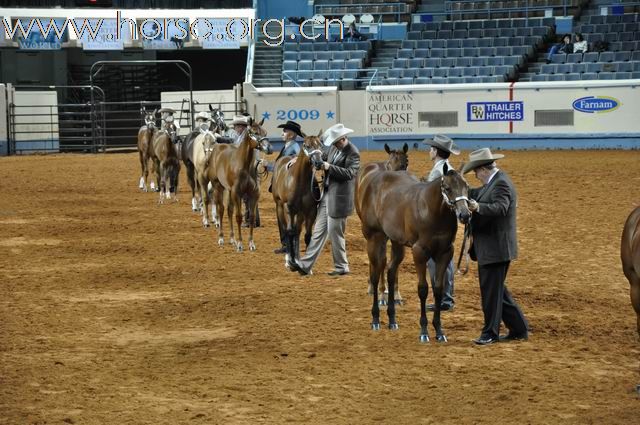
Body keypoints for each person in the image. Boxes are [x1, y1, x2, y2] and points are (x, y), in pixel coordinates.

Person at [462, 148, 529, 345]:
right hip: (493, 248)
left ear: (483, 169)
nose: (475, 175)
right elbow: (479, 192)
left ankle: (490, 332)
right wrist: (461, 189)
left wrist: (478, 207)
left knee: (491, 293)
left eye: (476, 171)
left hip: (496, 249)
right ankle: (519, 328)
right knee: (497, 291)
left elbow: (500, 208)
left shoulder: (501, 184)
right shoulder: (494, 182)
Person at [289, 123, 360, 276]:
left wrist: (328, 167)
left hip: (340, 199)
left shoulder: (353, 152)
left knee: (335, 233)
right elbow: (321, 156)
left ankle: (341, 266)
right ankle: (306, 265)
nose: (334, 144)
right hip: (327, 194)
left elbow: (350, 174)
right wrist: (300, 159)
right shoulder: (335, 148)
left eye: (337, 141)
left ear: (343, 138)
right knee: (318, 232)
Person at [423, 134, 460, 311]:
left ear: (436, 151)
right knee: (445, 262)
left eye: (431, 149)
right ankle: (446, 298)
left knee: (436, 262)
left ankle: (444, 299)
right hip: (445, 224)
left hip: (436, 226)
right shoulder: (446, 168)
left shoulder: (440, 171)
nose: (429, 151)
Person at [269, 120, 304, 254]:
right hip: (281, 186)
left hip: (287, 189)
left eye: (285, 131)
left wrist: (268, 165)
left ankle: (288, 244)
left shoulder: (295, 148)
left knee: (286, 217)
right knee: (281, 217)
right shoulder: (288, 146)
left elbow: (289, 166)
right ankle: (285, 244)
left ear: (291, 134)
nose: (282, 133)